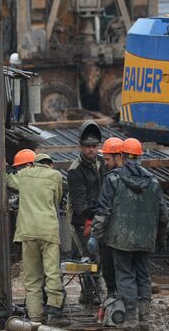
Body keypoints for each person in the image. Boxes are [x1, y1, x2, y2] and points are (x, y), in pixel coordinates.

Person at [91, 138, 169, 331]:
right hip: (145, 239)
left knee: (125, 277)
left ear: (123, 156)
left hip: (120, 240)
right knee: (143, 276)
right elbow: (164, 215)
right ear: (140, 157)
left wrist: (96, 236)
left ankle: (131, 320)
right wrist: (159, 239)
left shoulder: (113, 179)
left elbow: (103, 211)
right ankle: (144, 321)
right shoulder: (153, 181)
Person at [7, 149, 69, 326]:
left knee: (32, 278)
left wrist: (0, 167)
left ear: (34, 163)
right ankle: (54, 314)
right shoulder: (55, 175)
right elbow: (57, 199)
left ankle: (35, 318)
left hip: (27, 231)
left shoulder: (24, 175)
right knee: (52, 273)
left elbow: (8, 180)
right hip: (48, 231)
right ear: (49, 163)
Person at [67, 122, 115, 303]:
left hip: (100, 217)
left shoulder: (103, 163)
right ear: (81, 147)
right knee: (88, 257)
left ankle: (88, 295)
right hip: (82, 221)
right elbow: (79, 203)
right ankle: (93, 294)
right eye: (88, 147)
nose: (91, 150)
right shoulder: (75, 170)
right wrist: (89, 218)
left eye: (94, 146)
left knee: (100, 257)